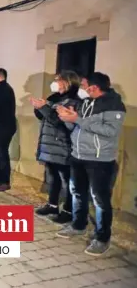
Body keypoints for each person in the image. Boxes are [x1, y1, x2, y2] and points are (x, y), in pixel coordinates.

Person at [55, 72, 125, 256]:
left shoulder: (114, 105)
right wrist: (68, 118)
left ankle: (102, 238)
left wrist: (76, 119)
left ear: (93, 87)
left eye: (84, 85)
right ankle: (78, 226)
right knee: (77, 192)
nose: (81, 88)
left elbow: (110, 131)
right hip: (78, 156)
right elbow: (80, 127)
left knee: (100, 200)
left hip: (100, 160)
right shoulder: (86, 103)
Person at [30, 70, 81, 223]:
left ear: (68, 81)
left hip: (63, 145)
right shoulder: (54, 98)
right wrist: (39, 107)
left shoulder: (74, 100)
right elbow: (44, 116)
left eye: (58, 79)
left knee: (67, 180)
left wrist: (45, 108)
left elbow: (60, 122)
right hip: (49, 144)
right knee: (52, 176)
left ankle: (68, 210)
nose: (55, 82)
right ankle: (52, 205)